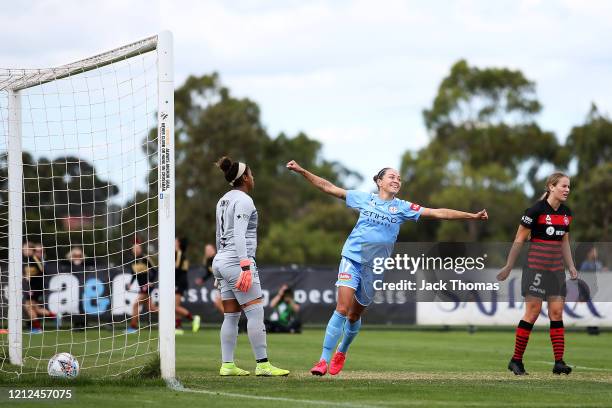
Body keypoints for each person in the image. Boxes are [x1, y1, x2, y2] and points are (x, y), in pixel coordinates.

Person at [286, 160, 488, 376]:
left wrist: (471, 216)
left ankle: (342, 351)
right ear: (379, 181)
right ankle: (323, 361)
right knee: (342, 309)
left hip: (375, 267)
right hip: (352, 258)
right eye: (392, 177)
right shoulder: (364, 198)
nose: (397, 180)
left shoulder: (402, 207)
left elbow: (437, 213)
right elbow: (328, 187)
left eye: (399, 178)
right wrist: (302, 171)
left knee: (354, 316)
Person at [212, 156, 289, 376]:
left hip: (221, 260)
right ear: (245, 177)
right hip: (237, 261)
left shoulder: (223, 200)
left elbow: (219, 234)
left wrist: (218, 268)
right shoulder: (244, 200)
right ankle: (263, 364)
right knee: (256, 313)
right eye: (252, 175)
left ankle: (227, 365)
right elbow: (238, 233)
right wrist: (245, 266)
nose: (253, 178)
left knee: (231, 316)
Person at [497, 172, 577, 375]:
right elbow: (519, 239)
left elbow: (564, 242)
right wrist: (508, 266)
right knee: (532, 313)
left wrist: (571, 266)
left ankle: (559, 362)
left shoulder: (567, 213)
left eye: (569, 186)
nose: (567, 189)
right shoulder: (535, 211)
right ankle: (516, 361)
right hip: (535, 269)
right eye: (563, 186)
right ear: (551, 187)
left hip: (556, 271)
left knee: (557, 313)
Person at [22, 242, 57, 333]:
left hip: (35, 287)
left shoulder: (34, 258)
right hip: (31, 287)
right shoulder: (28, 259)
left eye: (25, 249)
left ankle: (37, 328)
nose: (23, 251)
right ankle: (55, 316)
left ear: (30, 250)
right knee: (36, 308)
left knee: (28, 307)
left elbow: (42, 270)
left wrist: (32, 276)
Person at [126, 239, 158, 333]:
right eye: (134, 248)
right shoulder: (133, 261)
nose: (136, 250)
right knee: (151, 309)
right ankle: (169, 313)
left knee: (135, 305)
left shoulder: (145, 258)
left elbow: (154, 271)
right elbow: (134, 274)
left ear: (140, 249)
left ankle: (133, 327)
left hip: (147, 286)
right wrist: (130, 284)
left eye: (138, 248)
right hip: (142, 287)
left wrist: (150, 282)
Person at [175, 237, 200, 334]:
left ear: (179, 243)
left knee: (174, 306)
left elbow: (176, 269)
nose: (174, 242)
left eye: (176, 240)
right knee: (176, 305)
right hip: (178, 282)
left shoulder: (179, 253)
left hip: (179, 282)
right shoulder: (178, 253)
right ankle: (178, 327)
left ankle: (193, 318)